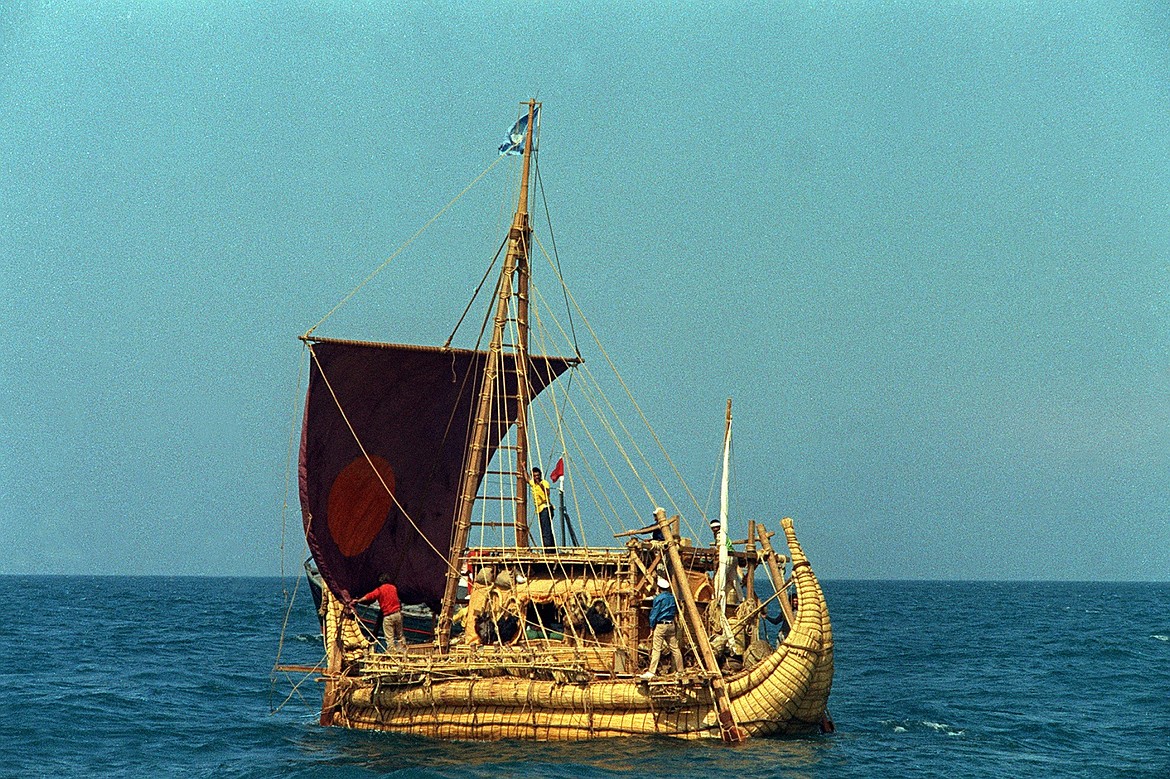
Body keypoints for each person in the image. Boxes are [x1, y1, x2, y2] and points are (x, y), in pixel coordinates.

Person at [641, 577, 684, 679]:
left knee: (656, 649)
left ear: (659, 588)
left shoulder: (659, 598)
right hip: (671, 625)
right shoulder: (672, 598)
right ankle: (680, 671)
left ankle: (652, 671)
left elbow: (654, 613)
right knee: (675, 648)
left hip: (661, 625)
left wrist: (651, 627)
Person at [356, 573, 404, 650]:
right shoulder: (393, 588)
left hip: (388, 616)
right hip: (397, 614)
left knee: (389, 638)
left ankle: (392, 654)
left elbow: (369, 596)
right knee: (400, 635)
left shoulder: (380, 590)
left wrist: (358, 600)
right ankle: (402, 650)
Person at [529, 467, 555, 549]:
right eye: (534, 476)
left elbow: (547, 492)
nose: (536, 477)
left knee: (546, 530)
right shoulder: (533, 484)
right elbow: (527, 479)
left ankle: (548, 550)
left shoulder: (544, 483)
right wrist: (523, 468)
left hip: (545, 507)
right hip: (539, 509)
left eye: (538, 475)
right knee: (545, 529)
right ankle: (551, 548)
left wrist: (540, 484)